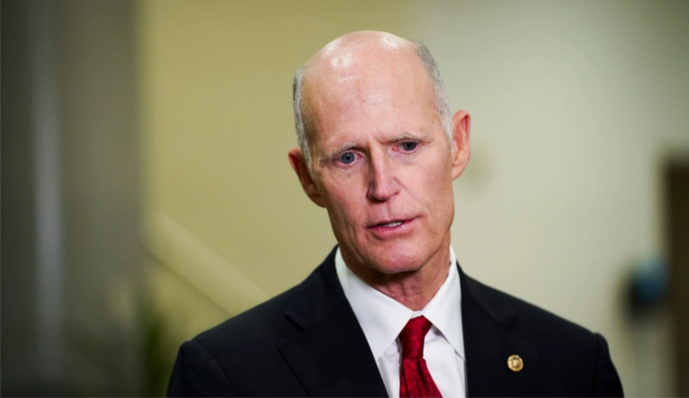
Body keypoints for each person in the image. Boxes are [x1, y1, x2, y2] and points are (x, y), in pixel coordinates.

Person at [167, 31, 623, 397]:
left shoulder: (575, 366)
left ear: (458, 145)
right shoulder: (225, 376)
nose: (382, 187)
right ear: (308, 177)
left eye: (406, 146)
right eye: (348, 157)